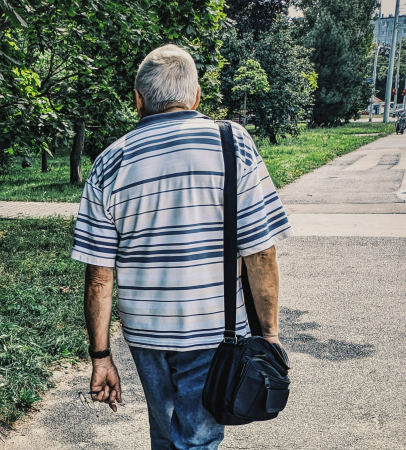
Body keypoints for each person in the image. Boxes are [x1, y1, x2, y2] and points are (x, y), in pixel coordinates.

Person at [71, 44, 293, 449]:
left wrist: (101, 356)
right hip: (213, 330)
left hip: (144, 332)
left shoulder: (108, 162)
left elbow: (99, 279)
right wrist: (271, 334)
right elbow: (260, 253)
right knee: (198, 437)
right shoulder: (232, 143)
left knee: (166, 427)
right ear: (196, 97)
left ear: (138, 100)